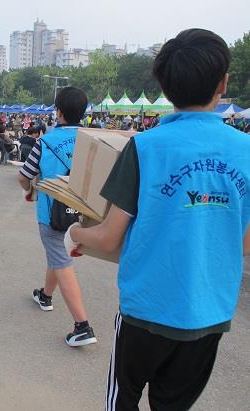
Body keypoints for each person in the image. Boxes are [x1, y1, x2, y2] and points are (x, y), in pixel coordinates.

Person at [68, 29, 250, 410]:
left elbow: (110, 236)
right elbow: (244, 242)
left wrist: (75, 233)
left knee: (124, 400)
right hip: (209, 314)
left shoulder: (145, 147)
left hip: (147, 311)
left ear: (164, 89)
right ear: (224, 83)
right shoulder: (246, 151)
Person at [18, 87, 97, 347]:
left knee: (61, 260)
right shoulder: (92, 140)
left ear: (58, 112)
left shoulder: (46, 141)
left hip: (53, 213)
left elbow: (24, 176)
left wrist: (30, 190)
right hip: (84, 213)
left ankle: (82, 326)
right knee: (58, 253)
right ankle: (45, 295)